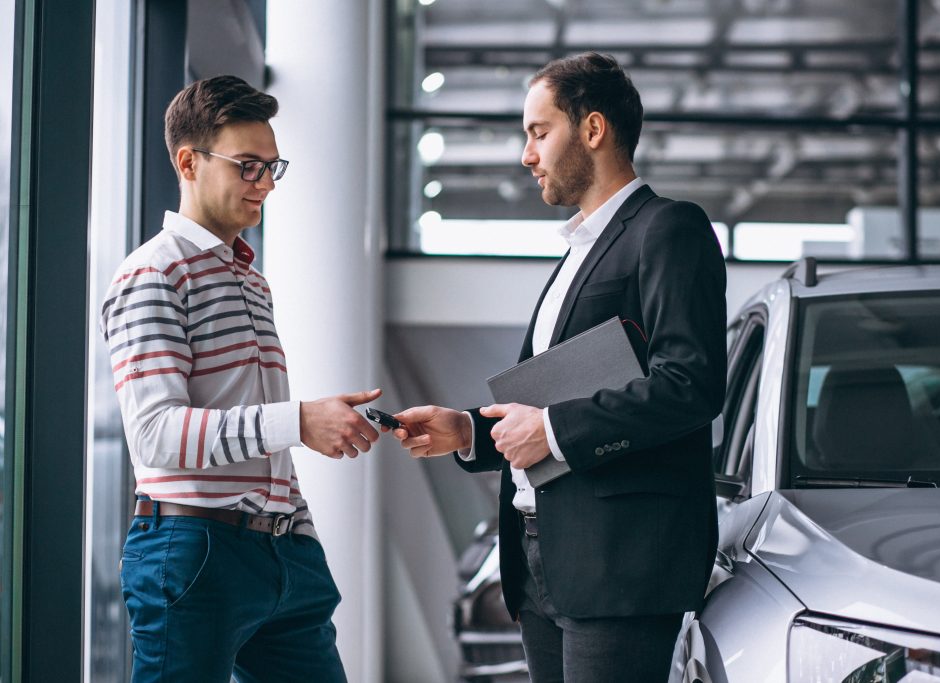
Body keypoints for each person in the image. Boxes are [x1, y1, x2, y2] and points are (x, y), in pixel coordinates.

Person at [391, 53, 727, 682]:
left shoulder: (667, 229)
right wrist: (466, 431)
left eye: (538, 132)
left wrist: (552, 432)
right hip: (543, 554)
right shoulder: (578, 253)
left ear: (593, 130)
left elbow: (691, 384)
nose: (527, 155)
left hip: (618, 562)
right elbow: (553, 395)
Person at [101, 75, 380, 682]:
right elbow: (154, 434)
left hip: (283, 553)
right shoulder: (152, 274)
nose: (264, 186)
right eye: (248, 166)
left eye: (273, 168)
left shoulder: (250, 279)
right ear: (188, 161)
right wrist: (301, 420)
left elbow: (252, 425)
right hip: (193, 550)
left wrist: (298, 530)